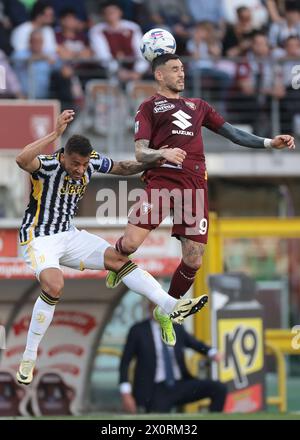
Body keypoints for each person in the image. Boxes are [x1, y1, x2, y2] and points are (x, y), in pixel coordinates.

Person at [15, 109, 208, 385]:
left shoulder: (91, 162)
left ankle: (170, 304)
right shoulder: (47, 164)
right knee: (55, 285)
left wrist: (157, 158)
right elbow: (21, 159)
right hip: (39, 237)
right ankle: (29, 356)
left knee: (119, 259)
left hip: (69, 235)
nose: (80, 169)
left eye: (84, 164)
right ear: (64, 156)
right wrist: (55, 134)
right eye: (75, 164)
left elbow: (121, 167)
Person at [106, 53, 295, 315]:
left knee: (194, 259)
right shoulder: (149, 106)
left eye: (182, 69)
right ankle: (115, 261)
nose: (181, 73)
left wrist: (268, 142)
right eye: (174, 69)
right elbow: (140, 153)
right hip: (162, 182)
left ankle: (167, 308)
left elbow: (233, 133)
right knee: (129, 245)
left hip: (194, 187)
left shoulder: (199, 106)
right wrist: (163, 153)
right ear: (159, 75)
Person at [120, 303, 227, 413]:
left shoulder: (176, 328)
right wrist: (125, 392)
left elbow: (195, 344)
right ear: (150, 309)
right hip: (155, 388)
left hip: (180, 384)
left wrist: (212, 353)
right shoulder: (138, 330)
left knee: (219, 388)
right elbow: (125, 362)